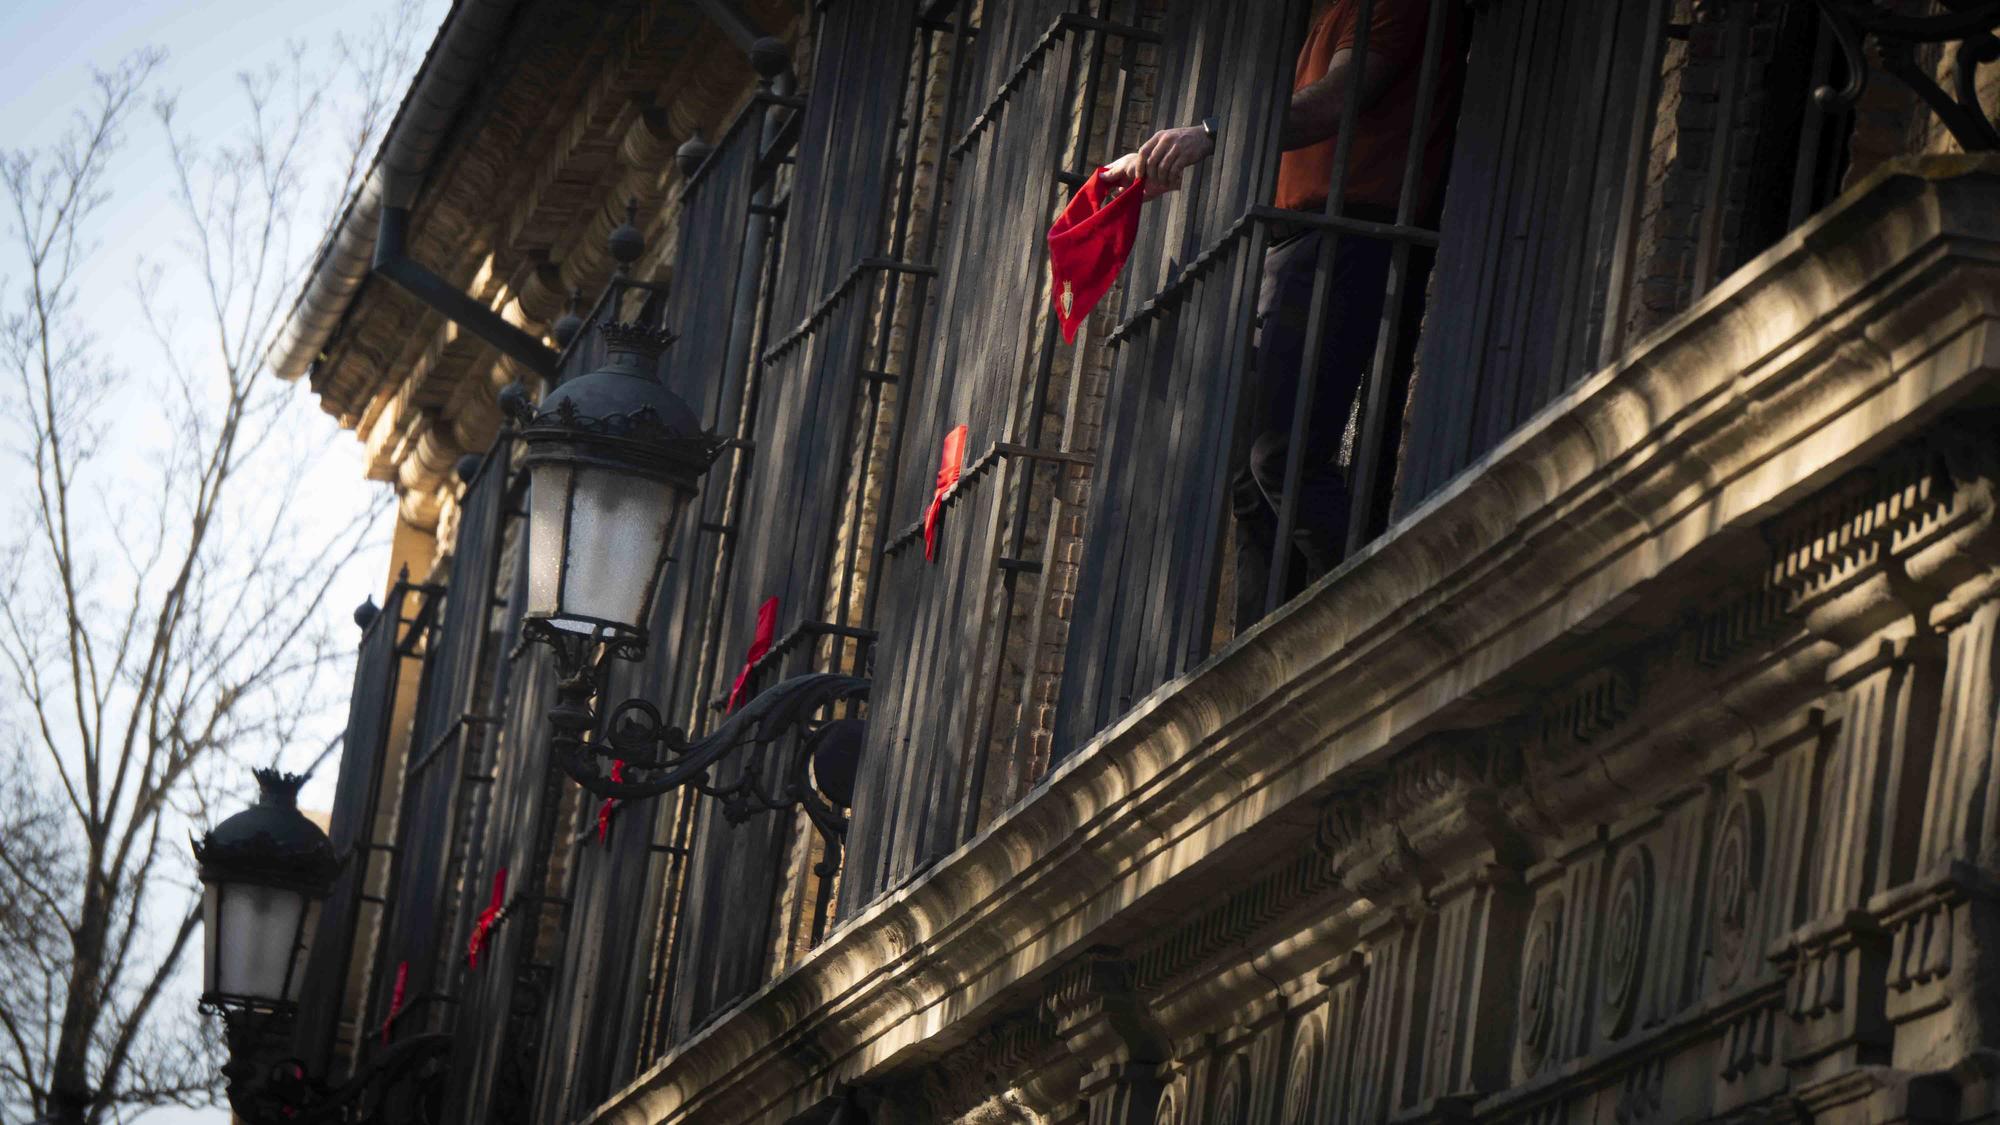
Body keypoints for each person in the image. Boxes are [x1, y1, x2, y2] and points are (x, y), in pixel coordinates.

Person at [1100, 0, 1462, 630]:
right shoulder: (1328, 14)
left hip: (1351, 233)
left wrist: (1208, 136)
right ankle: (1260, 653)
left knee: (1284, 456)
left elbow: (1336, 101)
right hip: (1300, 239)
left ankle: (1382, 621)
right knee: (1250, 479)